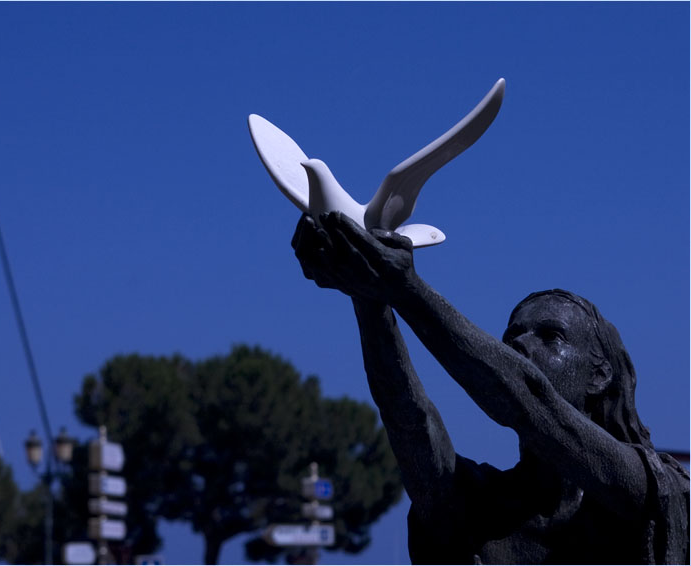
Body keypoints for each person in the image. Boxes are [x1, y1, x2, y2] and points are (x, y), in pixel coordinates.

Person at [291, 211, 688, 565]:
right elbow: (409, 420)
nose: (520, 345)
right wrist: (367, 292)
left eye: (550, 336)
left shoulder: (650, 489)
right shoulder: (477, 505)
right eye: (512, 337)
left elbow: (529, 399)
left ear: (600, 376)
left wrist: (405, 289)